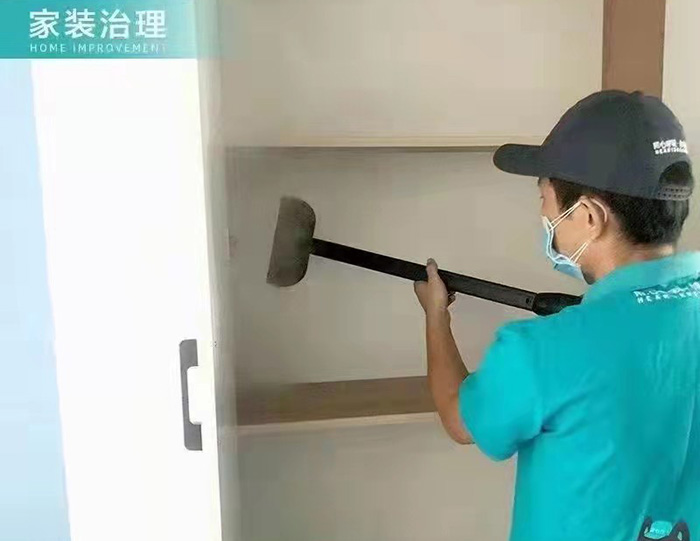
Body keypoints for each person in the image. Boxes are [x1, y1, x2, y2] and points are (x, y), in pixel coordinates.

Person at [414, 90, 698, 541]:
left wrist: (435, 316)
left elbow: (459, 418)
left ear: (589, 216)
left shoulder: (540, 352)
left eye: (545, 198)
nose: (543, 214)